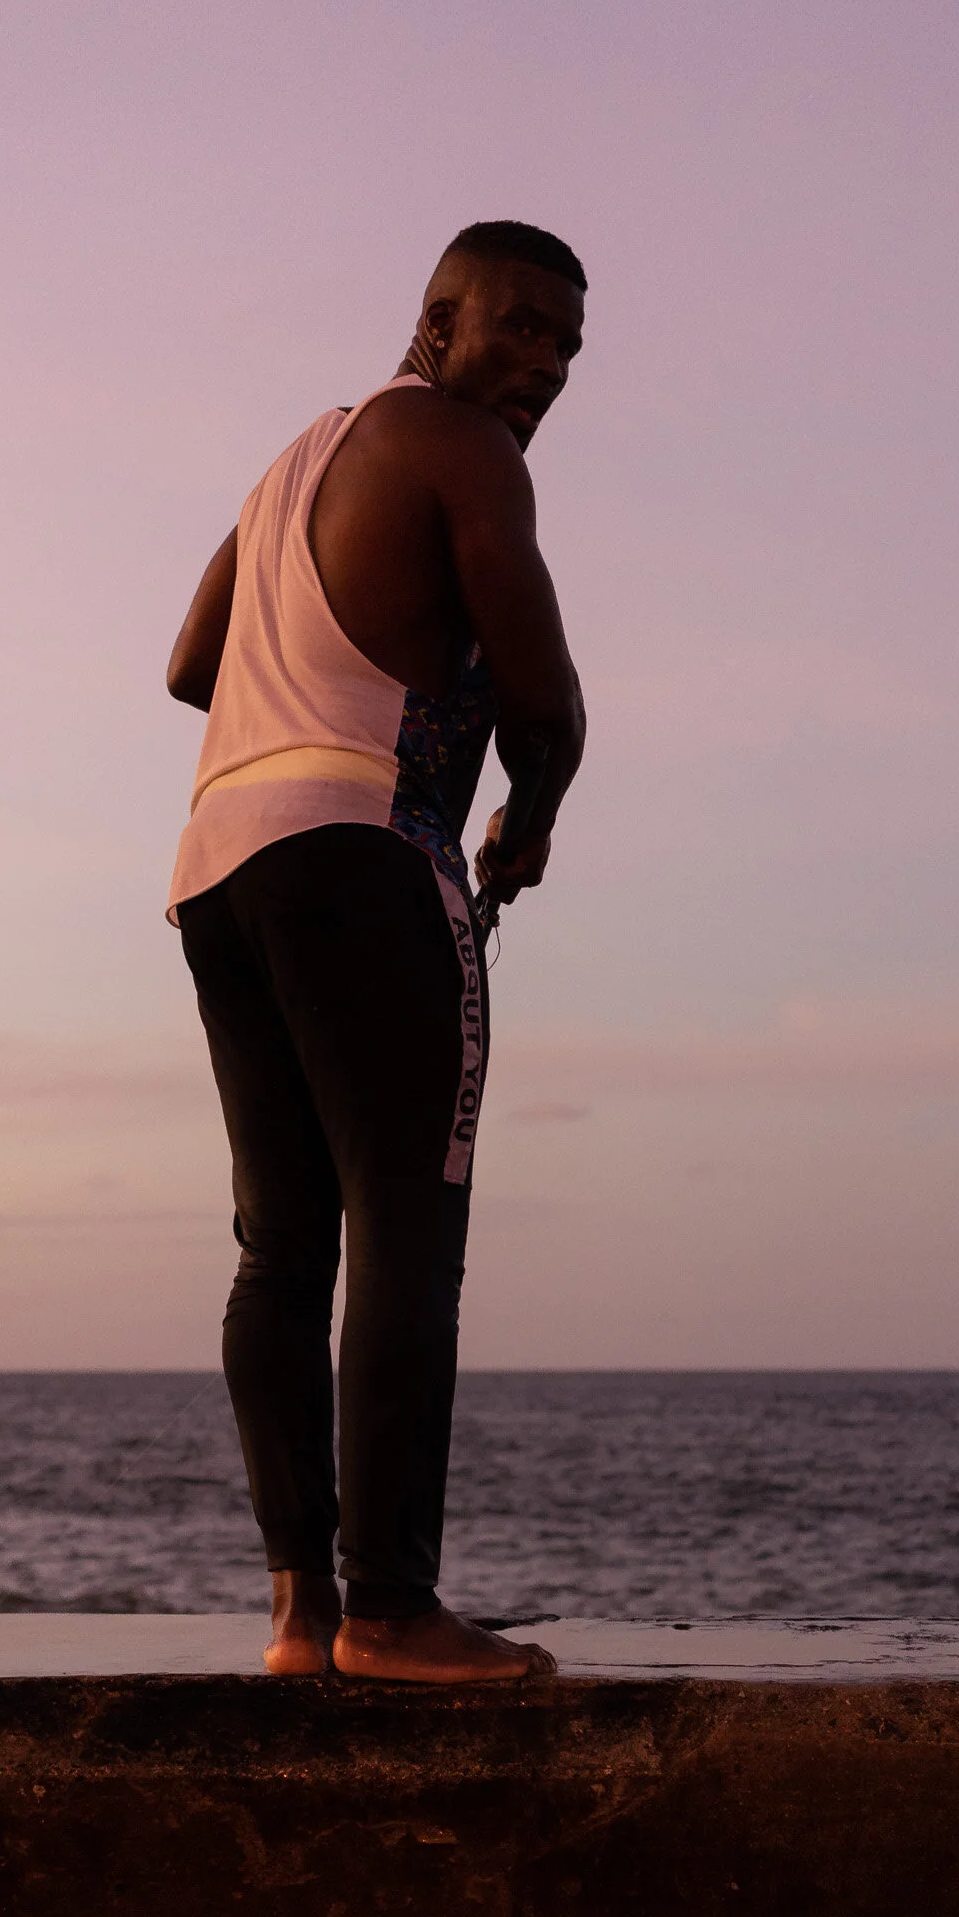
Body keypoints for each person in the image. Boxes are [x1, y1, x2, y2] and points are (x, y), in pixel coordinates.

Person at [165, 222, 587, 1683]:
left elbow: (186, 665)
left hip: (219, 862)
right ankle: (390, 1609)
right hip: (366, 844)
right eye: (520, 327)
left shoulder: (294, 465)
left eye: (565, 350)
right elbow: (548, 700)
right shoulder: (461, 446)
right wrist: (528, 817)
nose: (539, 366)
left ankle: (297, 1612)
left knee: (282, 1245)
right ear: (437, 319)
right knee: (408, 1225)